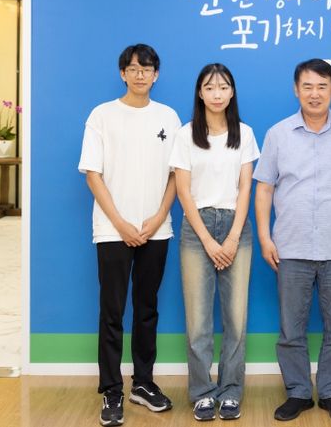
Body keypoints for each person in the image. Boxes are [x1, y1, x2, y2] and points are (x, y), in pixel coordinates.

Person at [254, 58, 331, 423]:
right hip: (290, 246)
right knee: (291, 329)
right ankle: (299, 392)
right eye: (308, 86)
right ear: (296, 89)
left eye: (322, 86)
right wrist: (264, 237)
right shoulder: (278, 134)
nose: (315, 93)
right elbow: (264, 188)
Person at [78, 44, 180, 426]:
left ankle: (143, 383)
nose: (140, 74)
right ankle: (111, 390)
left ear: (156, 74)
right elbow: (93, 174)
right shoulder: (102, 115)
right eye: (133, 68)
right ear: (123, 73)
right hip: (112, 230)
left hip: (156, 229)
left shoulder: (168, 117)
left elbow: (177, 174)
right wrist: (120, 223)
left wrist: (158, 217)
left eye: (147, 68)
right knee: (112, 312)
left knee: (147, 309)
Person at [169, 63, 259, 421]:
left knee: (236, 318)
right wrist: (207, 239)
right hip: (198, 228)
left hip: (237, 226)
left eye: (223, 87)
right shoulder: (185, 134)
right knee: (198, 320)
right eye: (209, 87)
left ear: (232, 92)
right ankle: (203, 393)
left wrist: (233, 236)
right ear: (200, 93)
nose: (217, 94)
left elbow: (246, 188)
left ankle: (231, 390)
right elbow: (183, 191)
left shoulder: (245, 134)